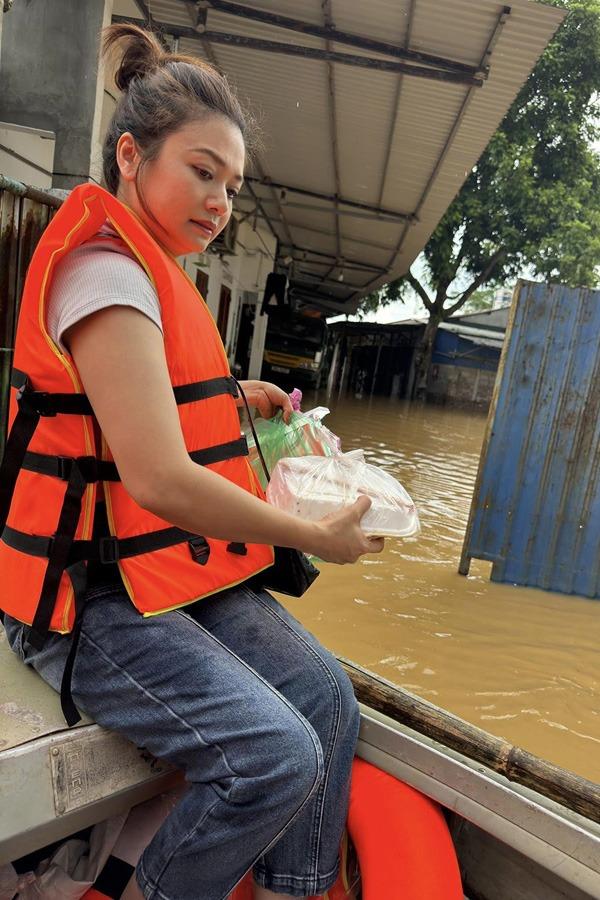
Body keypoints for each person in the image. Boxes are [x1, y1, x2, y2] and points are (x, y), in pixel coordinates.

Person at [0, 23, 384, 900]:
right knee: (275, 757)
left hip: (157, 570)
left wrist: (234, 391)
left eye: (231, 185)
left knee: (327, 698)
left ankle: (295, 892)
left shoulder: (153, 271)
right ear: (131, 157)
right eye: (201, 171)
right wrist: (311, 535)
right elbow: (162, 480)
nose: (219, 201)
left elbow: (151, 394)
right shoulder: (104, 274)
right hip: (84, 597)